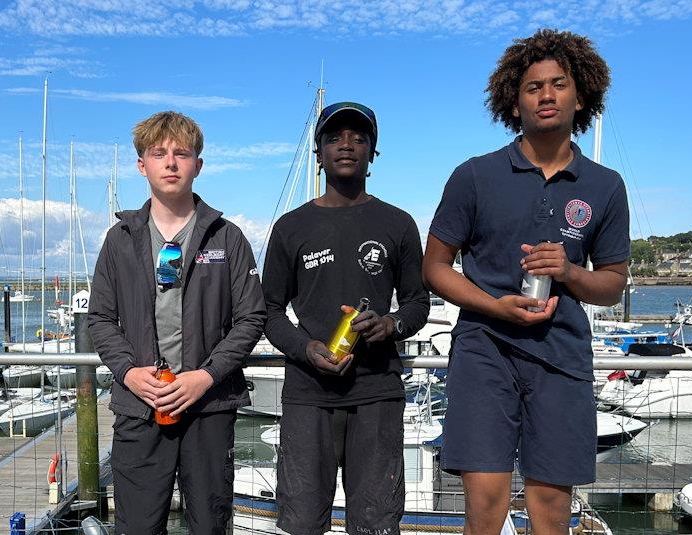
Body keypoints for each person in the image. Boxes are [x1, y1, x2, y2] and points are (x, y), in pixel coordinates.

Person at [423, 30, 630, 535]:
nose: (546, 95)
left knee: (553, 508)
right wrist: (497, 308)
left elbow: (612, 285)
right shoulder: (474, 176)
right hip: (484, 348)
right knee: (486, 503)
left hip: (562, 355)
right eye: (533, 87)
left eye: (558, 84)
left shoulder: (605, 186)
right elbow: (434, 267)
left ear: (580, 98)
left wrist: (568, 272)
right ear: (513, 105)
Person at [88, 110, 266, 534]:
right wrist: (129, 373)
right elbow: (100, 318)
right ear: (141, 165)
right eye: (158, 153)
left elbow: (251, 316)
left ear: (198, 165)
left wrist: (205, 376)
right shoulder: (120, 239)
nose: (170, 163)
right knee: (137, 525)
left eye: (182, 154)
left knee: (210, 523)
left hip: (208, 407)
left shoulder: (227, 237)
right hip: (139, 407)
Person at [262, 102, 430, 535]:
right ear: (318, 152)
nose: (347, 145)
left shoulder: (398, 224)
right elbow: (269, 312)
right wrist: (305, 347)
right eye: (334, 137)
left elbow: (417, 303)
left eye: (359, 137)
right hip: (307, 394)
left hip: (377, 392)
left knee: (375, 523)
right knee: (300, 523)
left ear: (373, 152)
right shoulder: (290, 228)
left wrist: (390, 325)